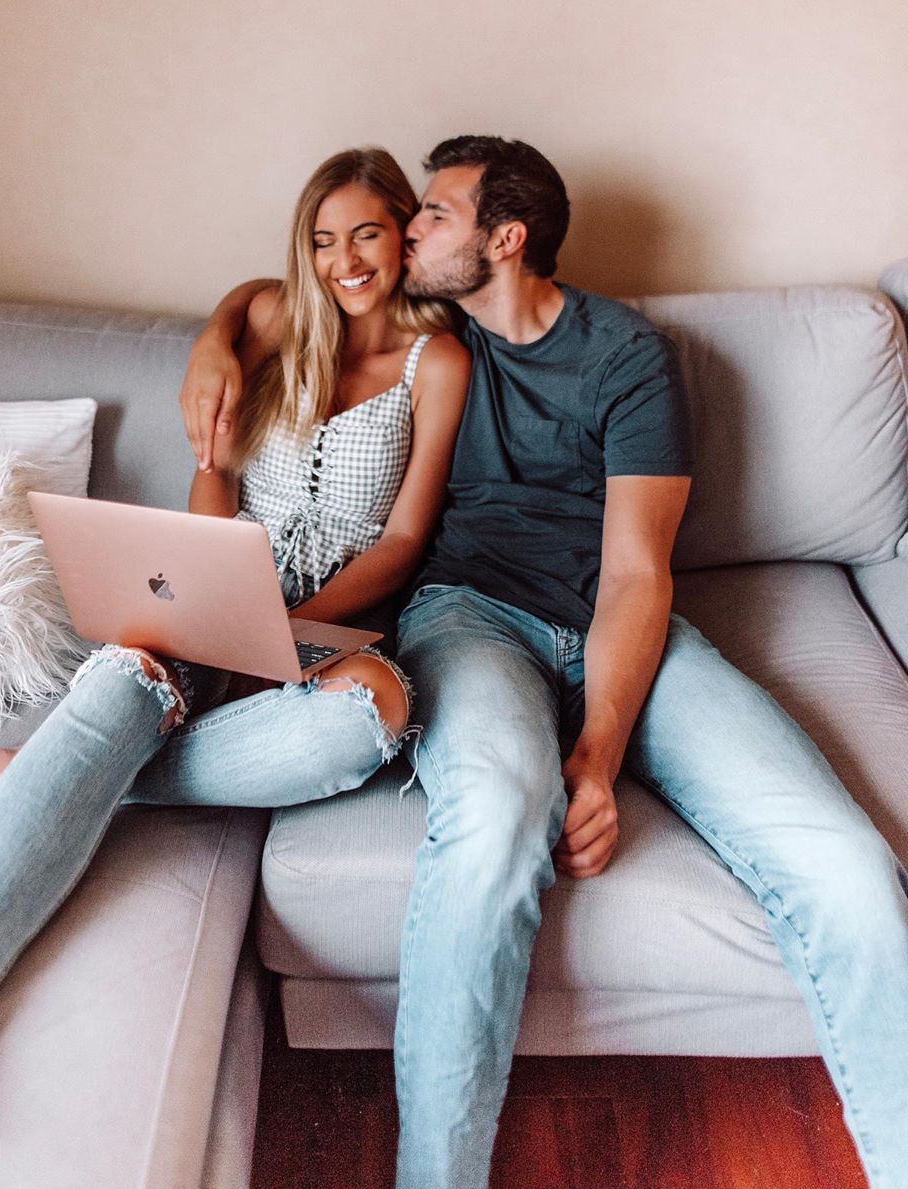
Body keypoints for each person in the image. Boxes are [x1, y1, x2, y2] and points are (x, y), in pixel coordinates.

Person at [180, 136, 908, 1189]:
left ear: (504, 239)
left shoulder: (626, 354)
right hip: (467, 619)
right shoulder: (430, 345)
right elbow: (280, 295)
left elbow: (637, 577)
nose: (412, 230)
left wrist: (601, 752)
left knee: (845, 862)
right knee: (496, 819)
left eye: (433, 214)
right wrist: (214, 335)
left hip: (626, 630)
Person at [0, 147, 471, 1188]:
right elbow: (212, 471)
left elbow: (401, 541)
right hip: (210, 596)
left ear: (404, 230)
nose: (344, 259)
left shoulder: (434, 362)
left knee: (370, 718)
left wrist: (285, 621)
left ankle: (21, 773)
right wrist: (217, 568)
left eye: (365, 233)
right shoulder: (273, 317)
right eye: (322, 237)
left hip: (328, 624)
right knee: (130, 673)